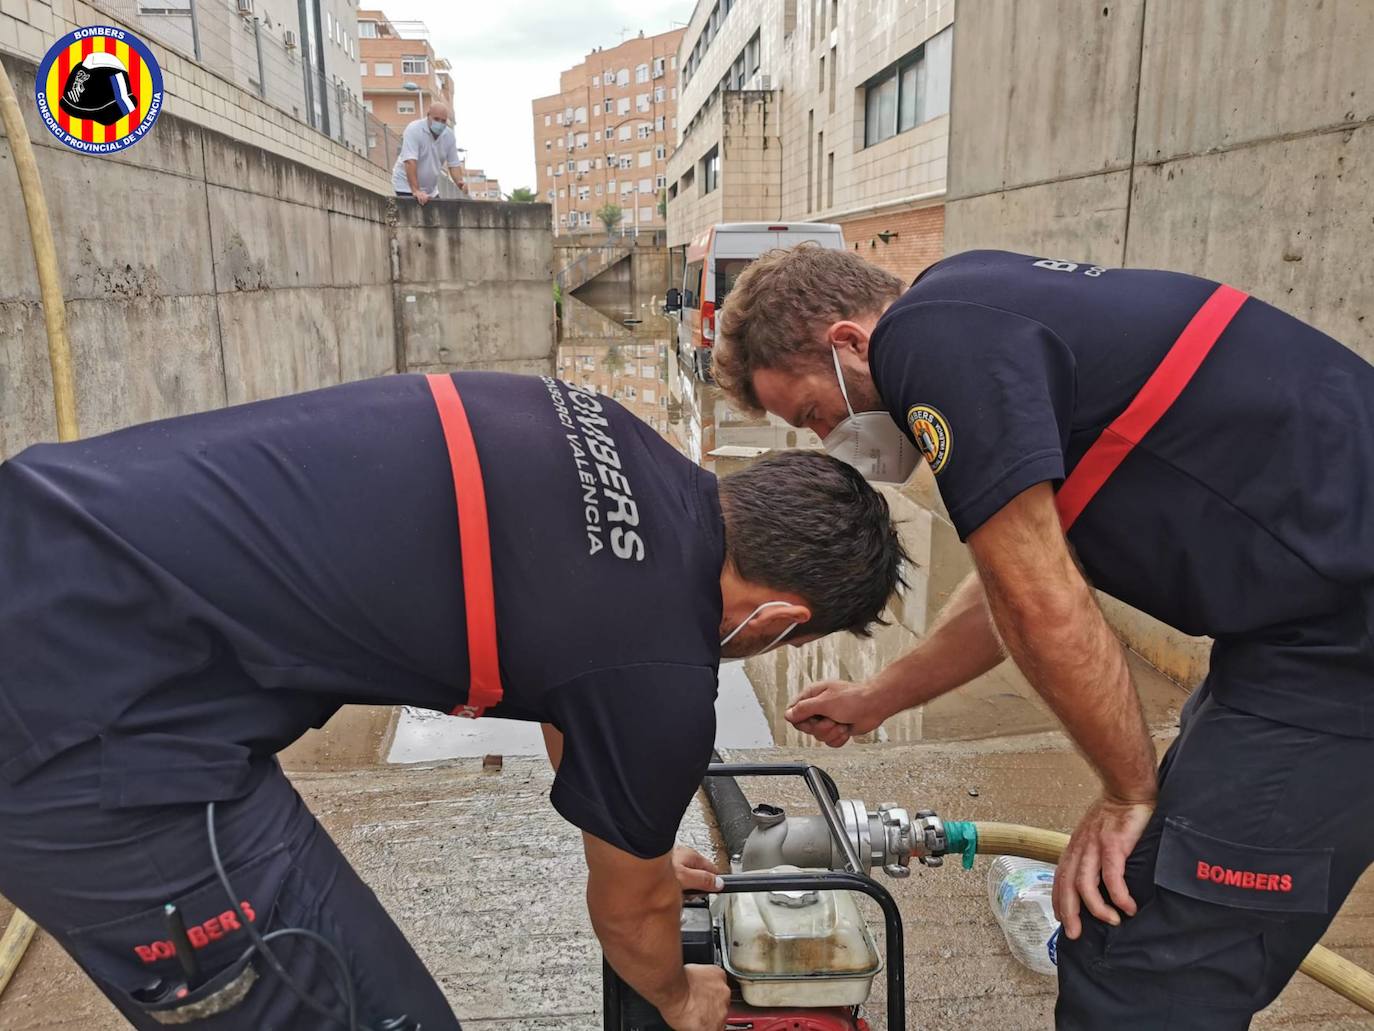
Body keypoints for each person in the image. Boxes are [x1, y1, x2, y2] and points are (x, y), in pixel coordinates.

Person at [0, 370, 906, 1031]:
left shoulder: (606, 426)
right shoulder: (660, 668)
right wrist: (679, 992)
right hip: (92, 727)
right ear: (782, 616)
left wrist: (646, 847)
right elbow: (628, 919)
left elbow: (574, 702)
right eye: (790, 637)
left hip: (48, 540)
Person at [713, 245, 1374, 1030]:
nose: (831, 439)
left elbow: (1040, 600)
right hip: (1297, 634)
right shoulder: (978, 302)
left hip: (1341, 643)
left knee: (1143, 972)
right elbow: (1012, 583)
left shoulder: (929, 342)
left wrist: (1125, 789)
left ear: (851, 341)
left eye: (815, 414)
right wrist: (877, 697)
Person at [391, 101, 465, 204]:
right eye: (436, 119)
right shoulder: (414, 129)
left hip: (431, 190)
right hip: (406, 185)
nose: (439, 124)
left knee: (439, 216)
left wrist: (459, 181)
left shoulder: (449, 136)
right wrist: (416, 191)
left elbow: (453, 164)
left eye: (443, 121)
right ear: (428, 116)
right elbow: (410, 161)